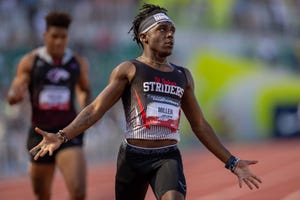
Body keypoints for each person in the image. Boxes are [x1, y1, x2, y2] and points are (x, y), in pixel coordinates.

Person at [29, 4, 262, 200]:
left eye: (172, 30)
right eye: (162, 30)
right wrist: (62, 136)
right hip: (132, 158)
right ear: (144, 37)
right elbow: (95, 109)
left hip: (166, 156)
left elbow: (200, 125)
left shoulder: (183, 76)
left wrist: (232, 161)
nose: (170, 35)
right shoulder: (130, 70)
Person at [7, 11, 91, 200]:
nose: (59, 42)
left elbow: (84, 88)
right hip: (40, 134)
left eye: (63, 37)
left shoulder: (77, 62)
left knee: (78, 192)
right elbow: (16, 87)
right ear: (45, 36)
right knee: (41, 194)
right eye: (54, 37)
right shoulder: (31, 61)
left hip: (68, 133)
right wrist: (15, 95)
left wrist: (86, 102)